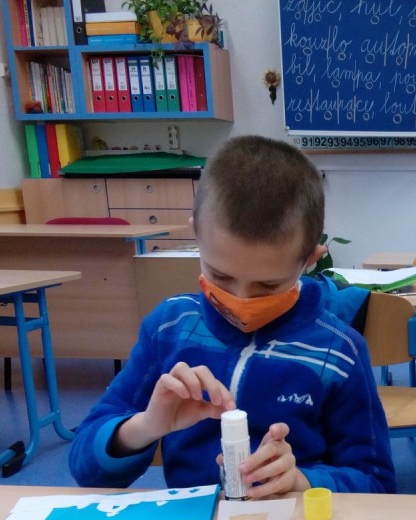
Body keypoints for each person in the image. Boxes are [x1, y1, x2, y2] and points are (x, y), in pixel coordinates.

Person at [69, 135, 396, 497]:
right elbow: (85, 469)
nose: (240, 300)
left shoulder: (339, 351)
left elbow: (376, 483)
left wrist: (302, 481)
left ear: (310, 260)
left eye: (268, 285)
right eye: (221, 276)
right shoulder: (170, 328)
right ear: (196, 237)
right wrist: (145, 426)